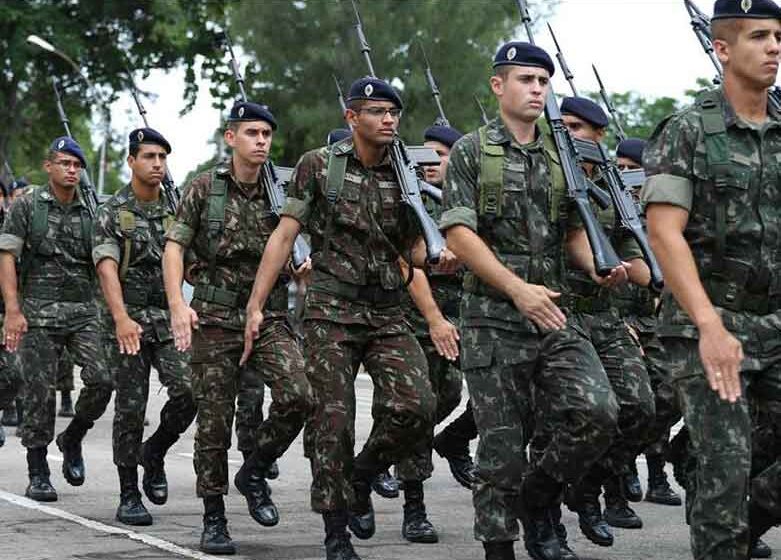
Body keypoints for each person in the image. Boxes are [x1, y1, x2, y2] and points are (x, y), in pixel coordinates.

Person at [242, 76, 457, 560]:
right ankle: (336, 533)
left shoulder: (404, 172)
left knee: (417, 406)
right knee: (332, 424)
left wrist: (442, 257)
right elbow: (283, 236)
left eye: (394, 114)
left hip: (386, 310)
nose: (388, 121)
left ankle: (361, 475)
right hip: (330, 313)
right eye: (377, 112)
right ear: (351, 117)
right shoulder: (318, 167)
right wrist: (257, 304)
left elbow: (413, 249)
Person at [440, 42, 621, 560]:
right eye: (525, 79)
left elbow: (571, 233)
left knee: (598, 411)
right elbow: (458, 233)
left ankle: (539, 501)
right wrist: (516, 288)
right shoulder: (474, 151)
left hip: (553, 314)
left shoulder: (560, 153)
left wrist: (597, 265)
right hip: (494, 319)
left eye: (543, 81)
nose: (537, 89)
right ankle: (500, 547)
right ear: (499, 85)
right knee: (500, 448)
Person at [642, 1, 781, 558]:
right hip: (708, 325)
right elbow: (664, 234)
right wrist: (709, 326)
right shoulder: (687, 131)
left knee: (730, 496)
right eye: (758, 37)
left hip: (773, 320)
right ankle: (722, 527)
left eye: (778, 36)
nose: (774, 47)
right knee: (725, 474)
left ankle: (733, 522)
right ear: (721, 48)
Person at [163, 101, 313, 555]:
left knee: (299, 394)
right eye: (252, 133)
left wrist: (304, 266)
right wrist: (176, 306)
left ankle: (255, 468)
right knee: (214, 422)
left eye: (267, 134)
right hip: (212, 316)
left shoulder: (283, 192)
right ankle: (214, 516)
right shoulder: (205, 188)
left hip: (266, 315)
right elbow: (174, 247)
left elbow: (296, 248)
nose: (262, 141)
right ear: (231, 138)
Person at [548, 98, 655, 552]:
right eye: (564, 125)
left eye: (579, 128)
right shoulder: (544, 176)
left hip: (604, 314)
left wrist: (646, 273)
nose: (570, 134)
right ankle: (546, 516)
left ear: (598, 136)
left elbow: (636, 256)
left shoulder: (611, 189)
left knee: (640, 408)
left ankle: (588, 484)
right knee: (556, 422)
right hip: (555, 312)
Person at [92, 128, 197, 525]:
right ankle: (128, 492)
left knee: (190, 391)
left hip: (167, 319)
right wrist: (120, 318)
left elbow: (192, 255)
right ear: (131, 161)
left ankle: (153, 453)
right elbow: (106, 268)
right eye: (149, 156)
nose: (157, 164)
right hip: (129, 321)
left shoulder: (176, 205)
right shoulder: (112, 210)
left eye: (162, 157)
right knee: (131, 408)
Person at [0, 137, 113, 501]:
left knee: (102, 379)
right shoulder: (28, 206)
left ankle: (73, 436)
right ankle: (38, 471)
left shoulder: (93, 210)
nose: (71, 170)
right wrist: (13, 310)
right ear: (48, 167)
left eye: (77, 165)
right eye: (64, 163)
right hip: (37, 310)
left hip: (83, 311)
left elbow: (105, 263)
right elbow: (7, 258)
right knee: (38, 392)